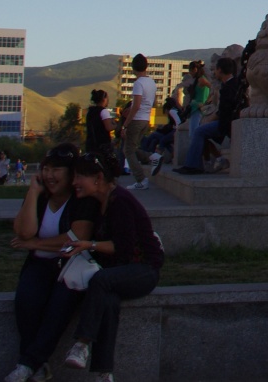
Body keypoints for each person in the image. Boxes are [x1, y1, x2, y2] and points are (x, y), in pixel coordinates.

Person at [61, 149, 164, 381]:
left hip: (144, 270)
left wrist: (89, 245)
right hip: (118, 272)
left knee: (101, 281)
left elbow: (123, 247)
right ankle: (104, 373)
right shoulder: (98, 202)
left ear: (98, 178)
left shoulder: (121, 201)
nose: (74, 182)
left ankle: (82, 343)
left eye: (79, 177)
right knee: (107, 301)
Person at [5, 143, 99, 382]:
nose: (49, 175)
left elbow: (75, 238)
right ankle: (38, 366)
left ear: (71, 173)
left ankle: (27, 364)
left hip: (70, 267)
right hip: (39, 264)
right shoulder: (41, 197)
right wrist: (33, 193)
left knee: (57, 310)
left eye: (57, 169)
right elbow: (23, 232)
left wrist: (34, 244)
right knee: (26, 303)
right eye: (46, 168)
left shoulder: (82, 200)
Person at [176, 55, 243, 175]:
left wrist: (210, 119)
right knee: (200, 131)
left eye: (215, 69)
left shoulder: (230, 86)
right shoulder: (231, 84)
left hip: (227, 123)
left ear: (220, 70)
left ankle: (193, 165)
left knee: (199, 131)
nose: (214, 72)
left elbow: (224, 111)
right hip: (227, 121)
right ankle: (211, 161)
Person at [121, 54, 157, 189]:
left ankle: (141, 179)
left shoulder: (138, 83)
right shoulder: (151, 82)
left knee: (128, 151)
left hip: (136, 120)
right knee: (132, 148)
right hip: (146, 119)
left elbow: (136, 105)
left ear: (133, 67)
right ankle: (152, 157)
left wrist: (125, 125)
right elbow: (151, 102)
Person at [84, 90, 116, 156]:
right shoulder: (103, 111)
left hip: (91, 144)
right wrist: (116, 125)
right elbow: (108, 127)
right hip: (102, 145)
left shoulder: (90, 111)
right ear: (104, 99)